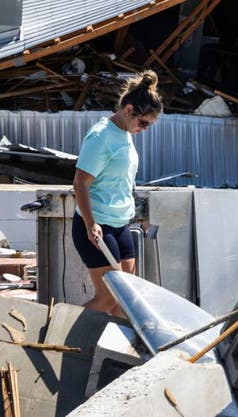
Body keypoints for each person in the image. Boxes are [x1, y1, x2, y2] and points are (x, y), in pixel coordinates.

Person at [72, 70, 163, 316]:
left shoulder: (124, 132)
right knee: (108, 298)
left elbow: (121, 180)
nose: (144, 129)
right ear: (128, 109)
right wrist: (91, 224)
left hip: (120, 223)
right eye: (143, 122)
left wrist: (138, 218)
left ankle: (121, 352)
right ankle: (62, 333)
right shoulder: (102, 137)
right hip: (96, 226)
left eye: (149, 125)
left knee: (127, 299)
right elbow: (80, 182)